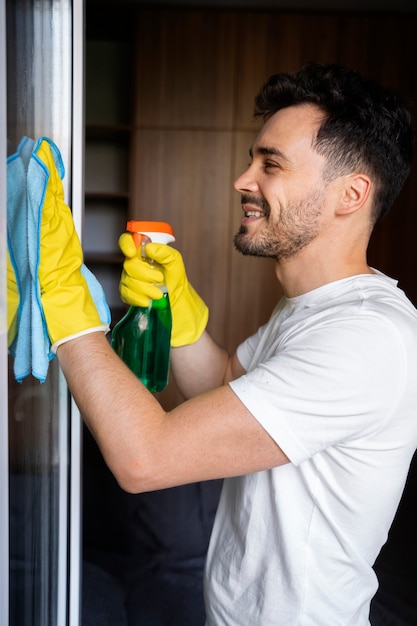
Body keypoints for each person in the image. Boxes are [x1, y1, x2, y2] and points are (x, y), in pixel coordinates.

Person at [22, 62, 417, 624]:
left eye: (271, 164)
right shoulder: (314, 311)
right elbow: (227, 384)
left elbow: (145, 458)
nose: (243, 180)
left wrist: (62, 300)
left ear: (350, 194)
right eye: (253, 158)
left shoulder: (365, 338)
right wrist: (176, 309)